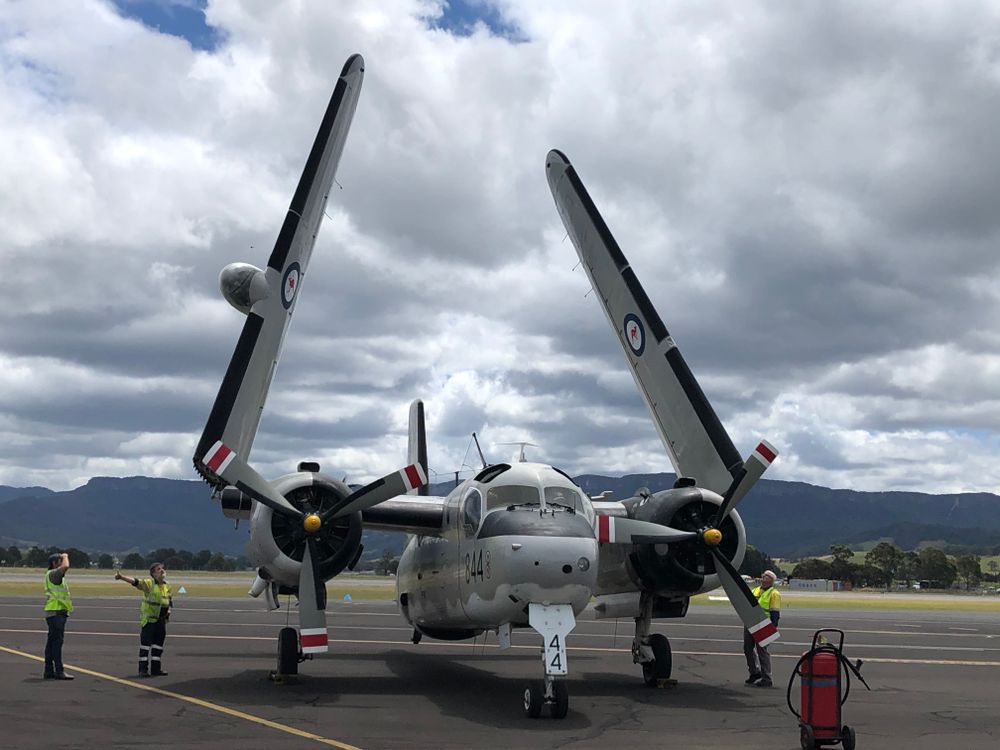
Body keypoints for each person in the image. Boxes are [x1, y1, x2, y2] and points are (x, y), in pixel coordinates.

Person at [114, 562, 172, 678]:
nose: (162, 571)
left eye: (162, 569)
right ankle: (143, 670)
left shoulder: (167, 586)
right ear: (153, 574)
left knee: (158, 646)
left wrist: (168, 611)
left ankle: (156, 669)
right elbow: (135, 582)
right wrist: (122, 577)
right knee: (145, 645)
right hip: (149, 620)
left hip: (161, 621)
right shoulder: (149, 584)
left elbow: (169, 600)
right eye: (158, 569)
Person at [744, 569, 781, 688]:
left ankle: (767, 678)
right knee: (747, 648)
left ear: (770, 580)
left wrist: (773, 626)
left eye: (765, 576)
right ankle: (754, 672)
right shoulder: (755, 590)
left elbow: (775, 612)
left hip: (763, 623)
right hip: (750, 621)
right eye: (763, 576)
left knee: (762, 651)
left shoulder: (774, 594)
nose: (763, 578)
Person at [43, 552, 75, 680]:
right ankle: (59, 671)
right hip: (56, 612)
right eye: (60, 561)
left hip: (53, 612)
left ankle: (48, 670)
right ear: (55, 563)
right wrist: (66, 556)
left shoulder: (51, 575)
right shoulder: (54, 574)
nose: (62, 562)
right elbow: (66, 567)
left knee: (51, 642)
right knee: (57, 643)